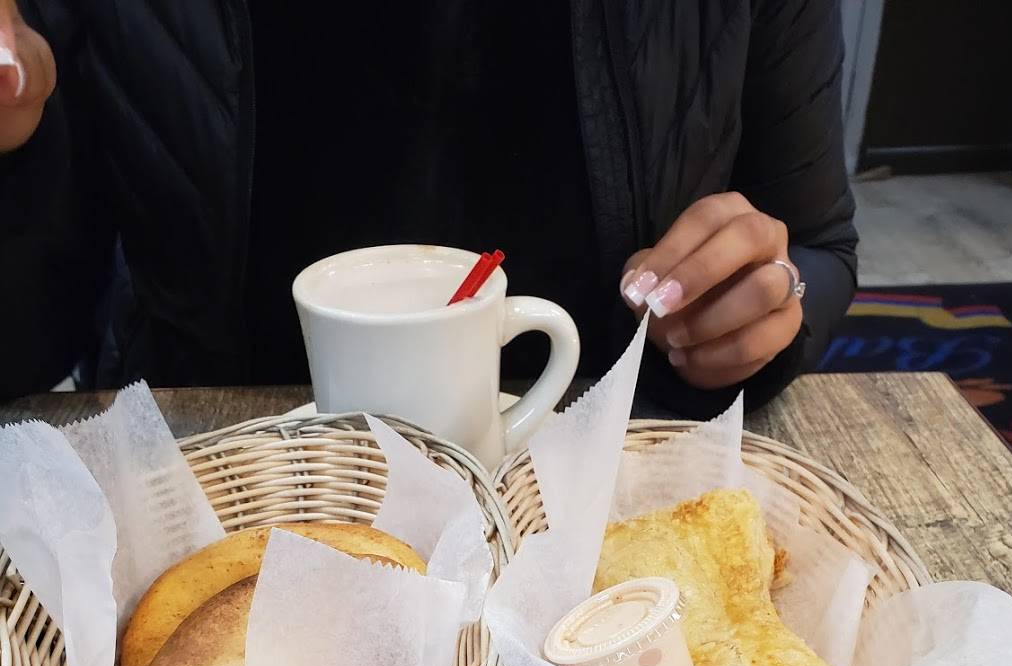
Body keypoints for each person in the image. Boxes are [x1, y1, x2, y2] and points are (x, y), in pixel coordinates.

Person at [0, 1, 856, 417]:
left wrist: (750, 311)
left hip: (605, 523)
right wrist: (15, 152)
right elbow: (28, 343)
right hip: (211, 500)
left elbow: (815, 246)